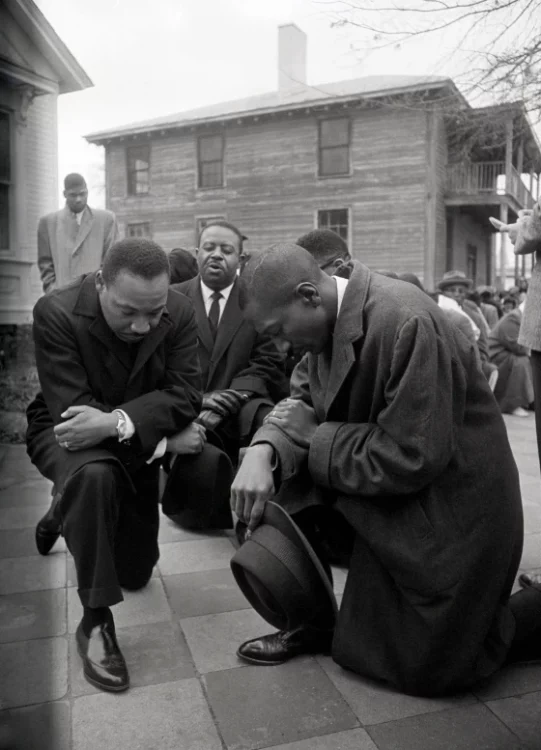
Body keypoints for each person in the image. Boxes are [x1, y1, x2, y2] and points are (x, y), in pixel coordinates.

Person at [229, 243, 541, 698]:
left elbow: (414, 455)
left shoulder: (406, 320)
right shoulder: (321, 323)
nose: (281, 346)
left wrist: (316, 438)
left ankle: (520, 615)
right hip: (399, 494)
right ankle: (314, 625)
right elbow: (298, 405)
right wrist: (261, 449)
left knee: (432, 670)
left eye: (279, 331)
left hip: (454, 512)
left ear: (309, 295)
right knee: (275, 484)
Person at [27, 239, 203, 692]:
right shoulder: (56, 311)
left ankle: (65, 508)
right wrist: (163, 441)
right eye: (127, 311)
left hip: (124, 432)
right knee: (93, 475)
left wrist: (122, 423)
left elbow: (186, 395)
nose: (142, 326)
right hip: (65, 429)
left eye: (154, 311)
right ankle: (95, 622)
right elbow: (74, 414)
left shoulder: (181, 311)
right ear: (102, 282)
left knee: (136, 573)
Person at [164, 220, 286, 528]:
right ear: (196, 254)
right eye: (209, 248)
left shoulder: (258, 300)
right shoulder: (171, 300)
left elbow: (268, 360)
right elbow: (161, 363)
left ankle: (272, 511)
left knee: (271, 421)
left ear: (241, 259)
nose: (216, 255)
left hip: (240, 405)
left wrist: (230, 396)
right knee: (202, 481)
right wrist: (199, 402)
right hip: (190, 409)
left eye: (226, 250)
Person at [37, 173, 118, 294]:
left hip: (95, 298)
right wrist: (52, 292)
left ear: (87, 192)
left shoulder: (106, 220)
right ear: (64, 194)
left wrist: (102, 291)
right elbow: (45, 263)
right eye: (73, 195)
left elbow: (111, 259)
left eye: (82, 194)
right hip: (62, 299)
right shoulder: (48, 223)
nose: (78, 199)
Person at [489, 304, 534, 417]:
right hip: (497, 356)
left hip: (509, 353)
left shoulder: (523, 318)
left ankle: (530, 401)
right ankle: (512, 405)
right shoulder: (513, 318)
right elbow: (517, 346)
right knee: (521, 361)